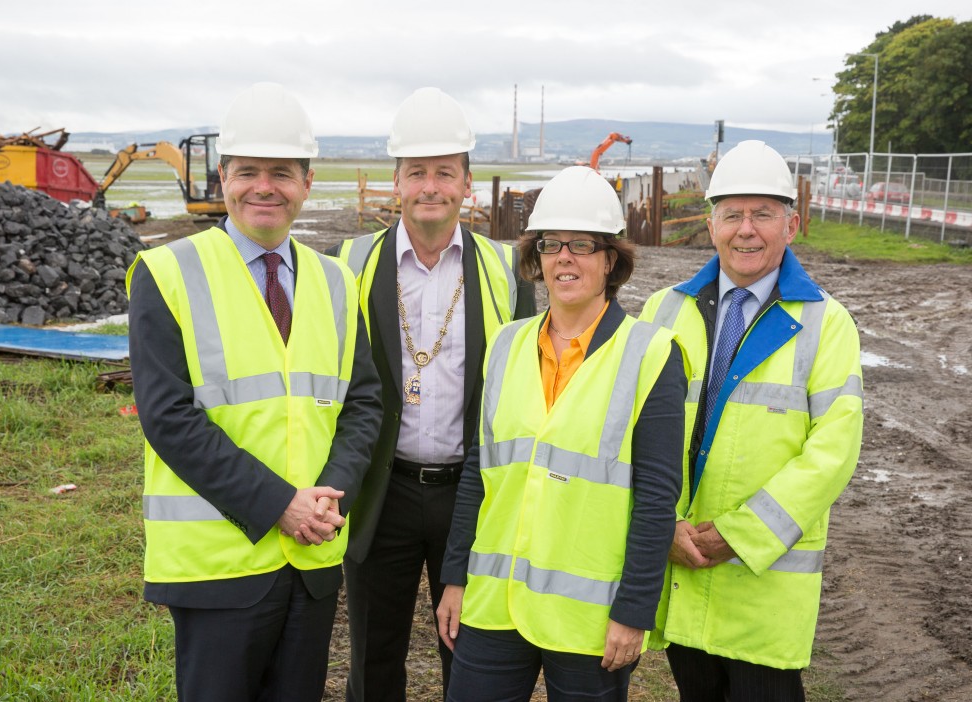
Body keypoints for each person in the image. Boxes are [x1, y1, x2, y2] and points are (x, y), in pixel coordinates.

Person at [126, 82, 382, 702]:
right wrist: (280, 505)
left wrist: (329, 497)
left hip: (313, 561)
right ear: (222, 178)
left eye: (282, 173)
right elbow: (168, 419)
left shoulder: (336, 281)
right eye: (248, 172)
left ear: (307, 182)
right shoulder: (167, 273)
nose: (264, 187)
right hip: (219, 566)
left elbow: (364, 402)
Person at [436, 166, 686, 701]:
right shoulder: (505, 345)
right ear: (536, 256)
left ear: (610, 260)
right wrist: (455, 576)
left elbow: (656, 498)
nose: (564, 258)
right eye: (551, 245)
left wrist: (634, 610)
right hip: (493, 601)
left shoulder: (652, 354)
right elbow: (478, 476)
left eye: (582, 245)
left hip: (589, 618)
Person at [326, 87, 537, 702]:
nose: (430, 186)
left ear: (467, 184)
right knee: (373, 658)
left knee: (468, 656)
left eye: (445, 173)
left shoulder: (505, 271)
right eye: (417, 172)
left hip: (471, 496)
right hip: (381, 492)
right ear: (396, 183)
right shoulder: (350, 264)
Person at [638, 140, 864, 701]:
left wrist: (742, 535)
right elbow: (630, 430)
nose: (746, 229)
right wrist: (659, 523)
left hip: (762, 582)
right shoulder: (663, 310)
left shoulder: (825, 324)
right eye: (732, 213)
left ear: (791, 224)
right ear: (710, 223)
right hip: (683, 561)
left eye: (762, 213)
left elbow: (833, 452)